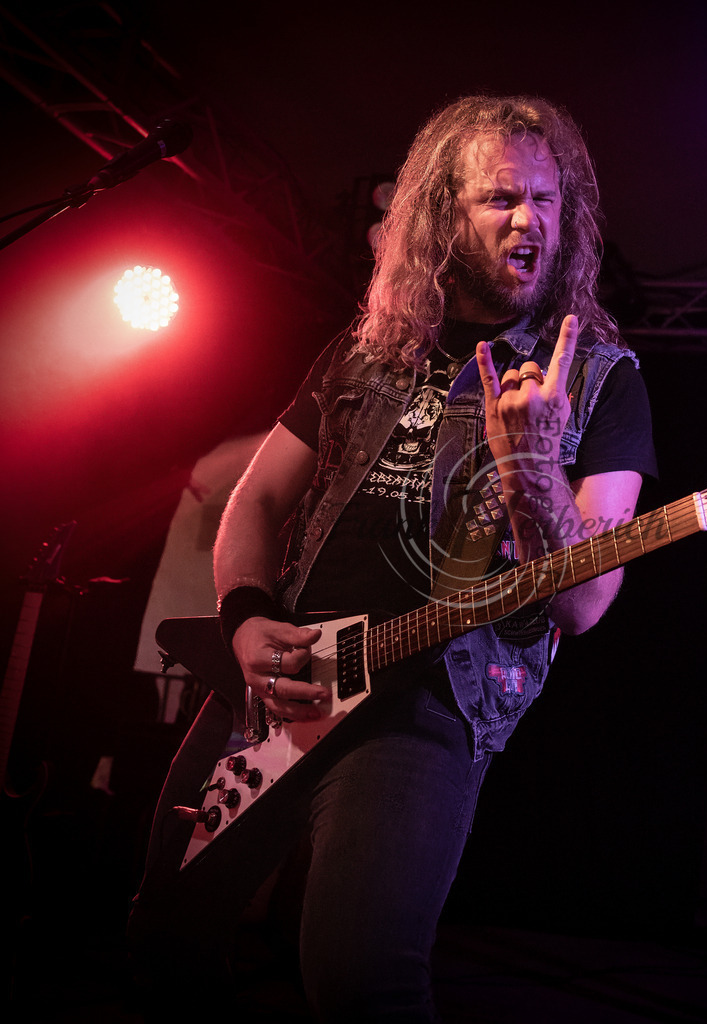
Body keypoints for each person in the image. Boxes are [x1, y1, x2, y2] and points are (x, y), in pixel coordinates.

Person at [129, 94, 656, 1021]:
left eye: (547, 199)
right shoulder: (369, 352)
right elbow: (253, 498)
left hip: (427, 713)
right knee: (162, 941)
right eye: (500, 198)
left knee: (357, 982)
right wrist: (245, 616)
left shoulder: (600, 377)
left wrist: (532, 464)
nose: (529, 218)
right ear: (444, 213)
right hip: (280, 685)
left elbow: (585, 604)